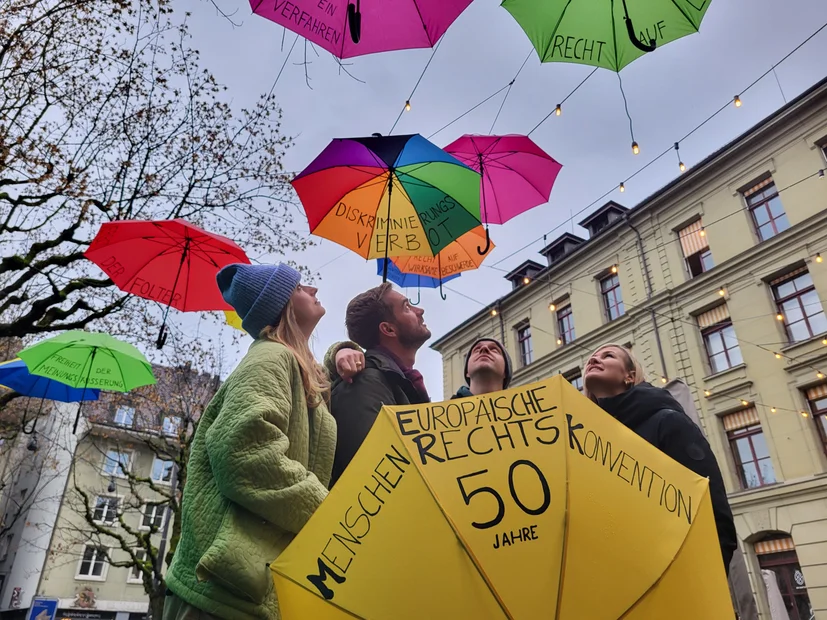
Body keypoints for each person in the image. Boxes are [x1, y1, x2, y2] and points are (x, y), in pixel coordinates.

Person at [164, 263, 337, 620]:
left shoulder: (289, 363)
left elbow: (324, 380)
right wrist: (329, 513)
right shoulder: (271, 357)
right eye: (301, 286)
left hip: (237, 588)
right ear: (284, 304)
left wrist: (342, 350)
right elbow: (244, 453)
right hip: (221, 591)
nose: (313, 289)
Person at [583, 343, 737, 575]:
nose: (594, 360)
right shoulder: (587, 440)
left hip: (679, 573)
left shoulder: (668, 422)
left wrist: (706, 576)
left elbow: (711, 507)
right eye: (590, 360)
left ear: (630, 376)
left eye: (608, 356)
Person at [324, 283, 431, 487]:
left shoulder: (402, 383)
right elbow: (372, 473)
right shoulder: (364, 381)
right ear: (388, 329)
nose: (420, 311)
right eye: (407, 307)